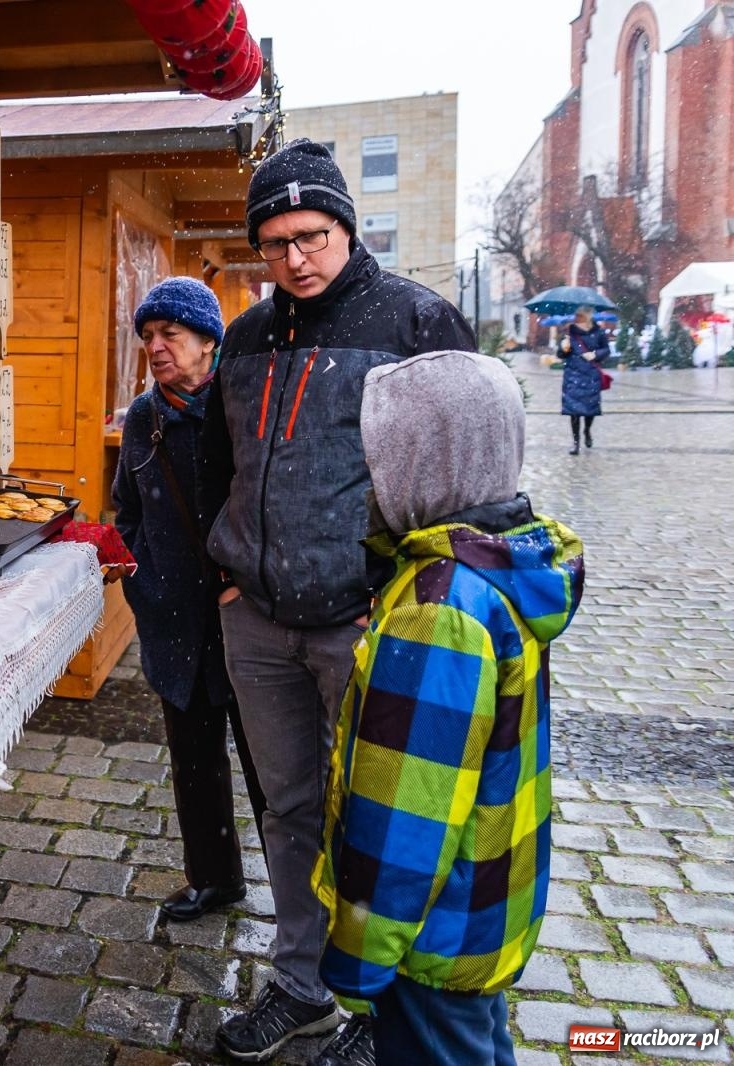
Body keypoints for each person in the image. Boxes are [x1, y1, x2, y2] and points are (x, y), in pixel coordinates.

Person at [200, 139, 476, 1066]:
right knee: (286, 807)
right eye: (273, 243)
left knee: (377, 818)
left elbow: (462, 479)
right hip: (260, 620)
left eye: (311, 235)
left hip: (367, 623)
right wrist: (228, 573)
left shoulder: (417, 321)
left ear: (347, 227)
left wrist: (401, 599)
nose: (294, 258)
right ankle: (302, 982)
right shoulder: (242, 336)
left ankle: (381, 1007)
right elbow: (218, 464)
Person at [317, 350, 584, 1065]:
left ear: (423, 462)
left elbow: (407, 812)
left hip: (431, 932)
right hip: (484, 904)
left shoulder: (438, 610)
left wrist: (358, 952)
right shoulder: (499, 567)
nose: (370, 477)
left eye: (381, 456)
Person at [112, 277, 267, 925]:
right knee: (194, 760)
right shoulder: (145, 418)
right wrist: (142, 580)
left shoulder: (245, 406)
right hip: (175, 620)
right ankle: (213, 878)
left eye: (170, 334)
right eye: (147, 336)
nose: (156, 346)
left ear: (208, 341)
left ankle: (303, 889)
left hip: (249, 622)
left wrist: (254, 576)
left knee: (272, 768)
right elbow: (125, 510)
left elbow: (274, 500)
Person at [559, 304, 609, 454]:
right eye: (576, 316)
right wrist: (563, 348)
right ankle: (576, 443)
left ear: (587, 316)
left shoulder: (598, 332)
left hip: (591, 375)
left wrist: (595, 355)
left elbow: (606, 350)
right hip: (573, 375)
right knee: (573, 410)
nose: (576, 318)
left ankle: (587, 430)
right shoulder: (569, 333)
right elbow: (561, 355)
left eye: (579, 315)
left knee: (590, 410)